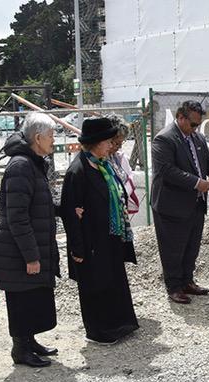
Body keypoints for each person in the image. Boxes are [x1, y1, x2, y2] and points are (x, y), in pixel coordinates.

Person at [61, 117, 140, 345]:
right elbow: (69, 212)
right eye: (107, 141)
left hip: (109, 237)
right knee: (96, 286)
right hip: (91, 242)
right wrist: (77, 247)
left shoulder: (104, 165)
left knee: (113, 282)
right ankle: (100, 331)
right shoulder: (78, 171)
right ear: (96, 143)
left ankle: (120, 324)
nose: (111, 145)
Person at [0, 113, 61, 367]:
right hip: (18, 250)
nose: (55, 141)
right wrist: (31, 255)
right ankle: (20, 349)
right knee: (21, 299)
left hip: (26, 246)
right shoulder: (21, 166)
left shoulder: (32, 163)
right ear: (38, 138)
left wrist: (63, 209)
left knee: (32, 296)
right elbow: (17, 216)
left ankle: (29, 341)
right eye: (52, 136)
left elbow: (37, 204)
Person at [150, 101, 209, 304]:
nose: (196, 128)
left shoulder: (197, 137)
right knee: (173, 248)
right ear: (180, 117)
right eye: (193, 124)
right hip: (171, 205)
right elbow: (167, 171)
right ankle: (174, 287)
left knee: (191, 246)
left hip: (195, 203)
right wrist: (197, 183)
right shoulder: (164, 138)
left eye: (198, 124)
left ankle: (187, 281)